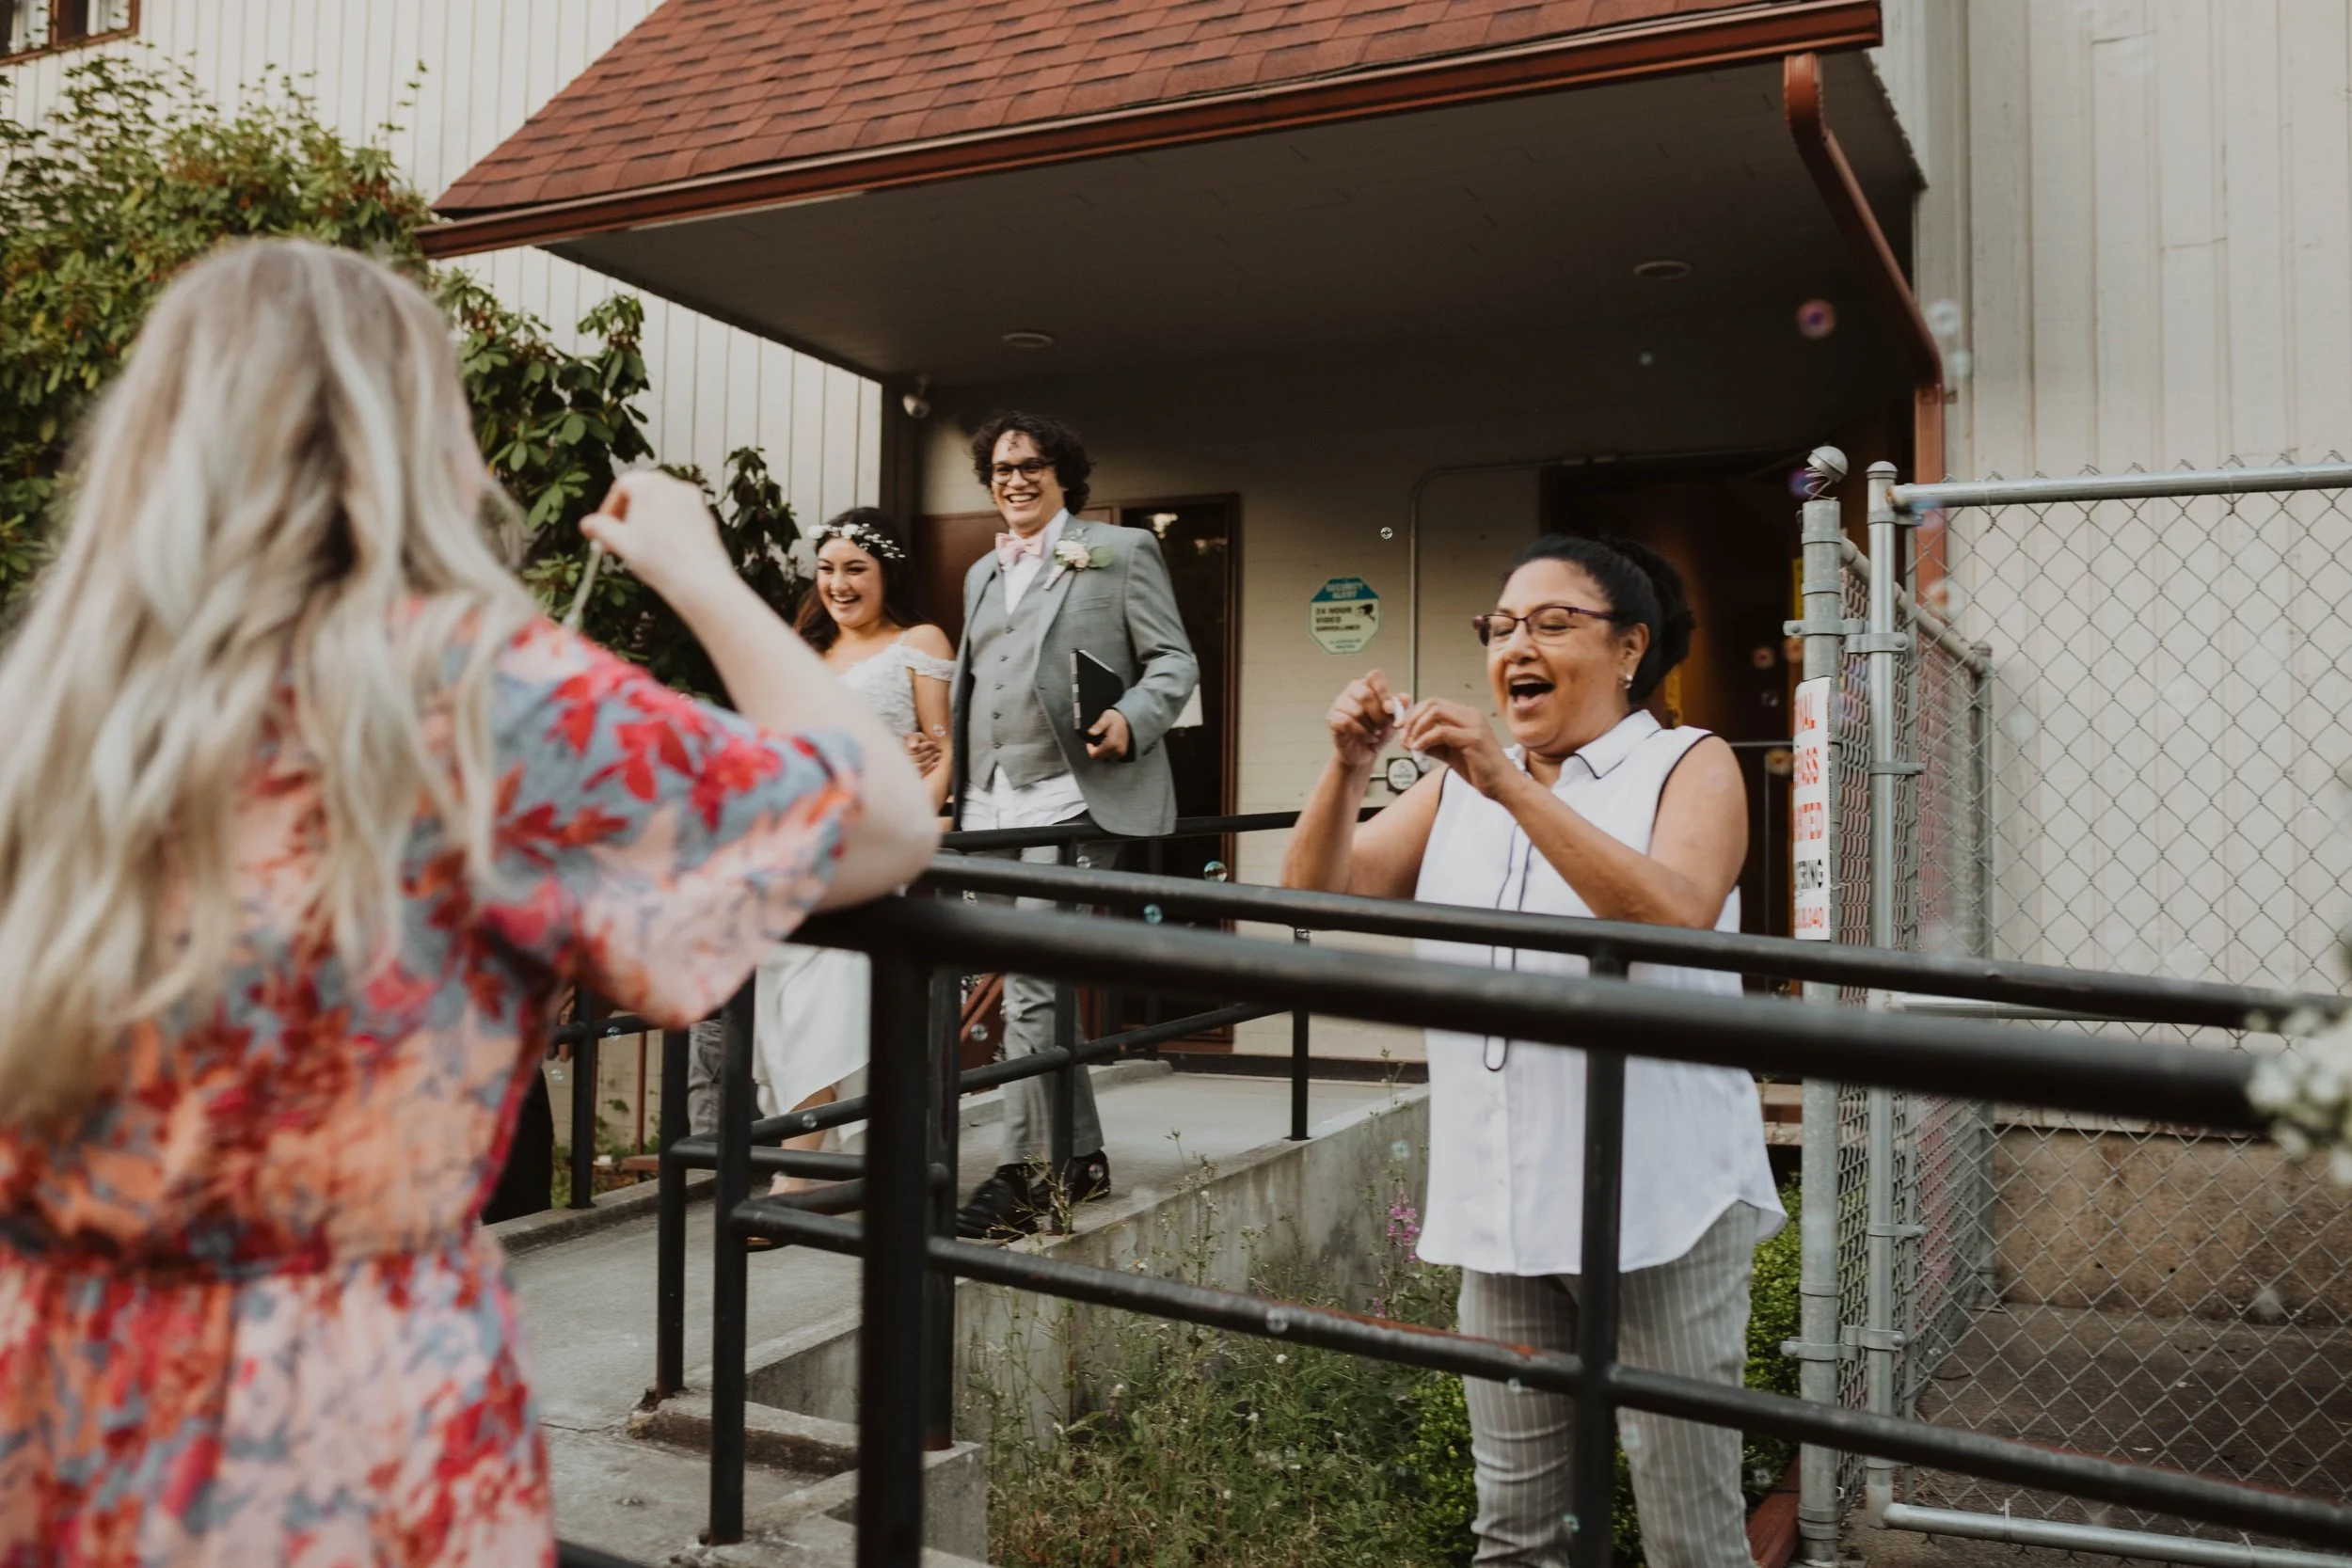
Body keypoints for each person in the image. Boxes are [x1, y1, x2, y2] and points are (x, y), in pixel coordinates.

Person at [0, 239, 937, 1561]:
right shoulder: (478, 695)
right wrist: (701, 572)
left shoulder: (52, 702)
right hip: (337, 1423)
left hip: (53, 1393)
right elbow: (883, 816)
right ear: (415, 440)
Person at [1281, 533, 1782, 1568]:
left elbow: (1676, 915)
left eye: (1552, 623)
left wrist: (1510, 784)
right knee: (1516, 1535)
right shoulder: (1463, 782)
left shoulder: (1688, 763)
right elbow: (1316, 893)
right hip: (1503, 1208)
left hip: (1660, 1206)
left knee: (1689, 1535)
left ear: (1630, 647)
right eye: (1501, 625)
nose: (1517, 642)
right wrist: (1346, 768)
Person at [948, 411, 1199, 1240]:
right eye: (1002, 468)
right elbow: (974, 680)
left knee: (1028, 979)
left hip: (1071, 791)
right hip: (992, 796)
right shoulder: (983, 572)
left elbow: (1174, 660)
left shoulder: (1120, 552)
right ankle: (1081, 1155)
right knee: (1033, 982)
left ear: (1064, 475)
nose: (1016, 479)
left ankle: (1027, 1171)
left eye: (1032, 466)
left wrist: (1133, 714)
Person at [756, 507, 955, 1188]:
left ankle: (797, 1169)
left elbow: (942, 750)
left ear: (886, 574)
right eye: (828, 569)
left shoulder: (919, 640)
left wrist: (914, 827)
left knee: (828, 985)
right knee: (781, 992)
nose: (838, 584)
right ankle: (810, 1142)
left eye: (856, 569)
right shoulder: (807, 647)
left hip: (868, 838)